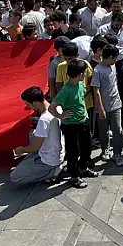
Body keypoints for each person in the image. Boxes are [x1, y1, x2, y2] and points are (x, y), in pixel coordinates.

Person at [48, 59, 94, 188]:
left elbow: (81, 98)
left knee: (87, 147)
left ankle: (83, 168)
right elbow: (52, 107)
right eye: (84, 73)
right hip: (70, 126)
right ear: (80, 74)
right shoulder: (66, 90)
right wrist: (61, 116)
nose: (85, 74)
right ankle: (74, 177)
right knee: (73, 152)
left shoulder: (79, 85)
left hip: (83, 121)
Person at [10, 86, 63, 185]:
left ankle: (52, 172)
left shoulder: (44, 119)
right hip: (57, 151)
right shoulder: (57, 108)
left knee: (15, 177)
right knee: (32, 135)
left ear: (35, 103)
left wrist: (21, 149)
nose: (28, 107)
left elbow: (35, 147)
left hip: (49, 159)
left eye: (28, 104)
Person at [91, 45, 123, 166]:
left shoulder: (113, 66)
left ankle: (117, 153)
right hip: (103, 107)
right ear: (110, 57)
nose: (116, 60)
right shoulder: (97, 71)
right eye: (115, 58)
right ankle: (105, 149)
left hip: (116, 104)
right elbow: (96, 91)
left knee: (117, 130)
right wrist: (100, 109)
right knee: (104, 131)